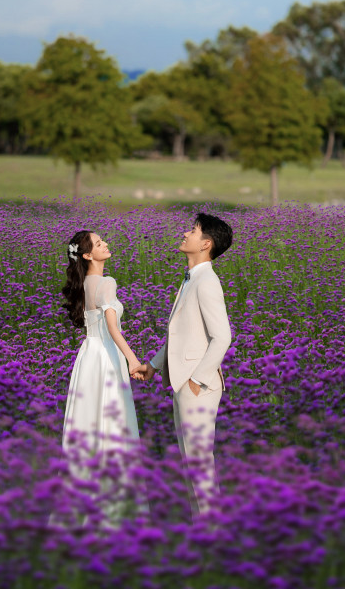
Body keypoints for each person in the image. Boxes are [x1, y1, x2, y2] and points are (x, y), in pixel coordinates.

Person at [132, 213, 232, 517]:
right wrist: (153, 365)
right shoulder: (193, 278)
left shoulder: (206, 281)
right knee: (192, 462)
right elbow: (183, 335)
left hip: (197, 387)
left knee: (199, 463)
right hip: (184, 383)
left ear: (205, 244)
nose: (185, 233)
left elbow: (223, 337)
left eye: (193, 230)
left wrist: (196, 381)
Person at [52, 229, 145, 525]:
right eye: (98, 243)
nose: (106, 244)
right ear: (88, 255)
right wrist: (133, 360)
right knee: (112, 424)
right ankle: (113, 507)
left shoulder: (84, 284)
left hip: (88, 356)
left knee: (88, 423)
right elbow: (113, 328)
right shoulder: (106, 282)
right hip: (106, 355)